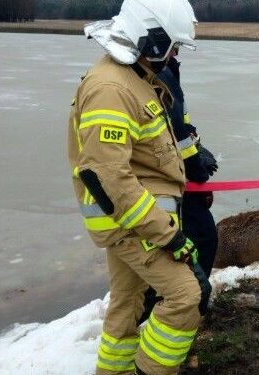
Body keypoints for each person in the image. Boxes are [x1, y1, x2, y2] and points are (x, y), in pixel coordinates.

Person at [67, 1, 211, 374]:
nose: (174, 54)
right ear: (151, 38)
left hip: (134, 220)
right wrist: (168, 236)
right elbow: (109, 178)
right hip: (133, 223)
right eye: (172, 46)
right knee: (186, 296)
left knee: (127, 303)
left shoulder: (136, 78)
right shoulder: (112, 88)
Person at [138, 54, 219, 325]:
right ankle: (177, 311)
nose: (176, 51)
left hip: (177, 177)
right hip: (167, 180)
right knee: (200, 239)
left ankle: (181, 307)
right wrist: (197, 167)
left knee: (200, 239)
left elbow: (181, 124)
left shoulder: (165, 69)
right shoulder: (156, 72)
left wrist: (198, 148)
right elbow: (174, 133)